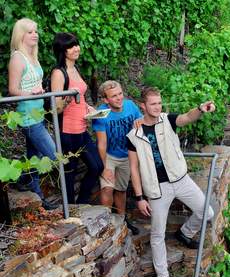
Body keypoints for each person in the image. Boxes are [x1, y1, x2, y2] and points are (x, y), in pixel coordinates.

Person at [127, 87, 215, 277]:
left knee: (207, 212)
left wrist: (200, 109)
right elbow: (134, 168)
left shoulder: (167, 120)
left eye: (159, 103)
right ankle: (162, 275)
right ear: (143, 106)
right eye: (153, 104)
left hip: (181, 180)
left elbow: (186, 118)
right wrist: (140, 197)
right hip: (157, 189)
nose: (157, 107)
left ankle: (185, 233)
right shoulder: (133, 135)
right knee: (157, 234)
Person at [8, 18, 57, 210]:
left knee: (33, 157)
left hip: (38, 113)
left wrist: (40, 92)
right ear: (20, 35)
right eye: (29, 32)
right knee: (53, 155)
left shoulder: (32, 57)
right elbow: (12, 90)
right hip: (27, 117)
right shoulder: (17, 58)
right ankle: (20, 178)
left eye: (36, 31)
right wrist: (32, 93)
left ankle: (38, 196)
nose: (35, 34)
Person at [51, 32, 103, 204]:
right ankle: (70, 210)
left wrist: (87, 108)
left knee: (97, 166)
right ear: (62, 50)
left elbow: (79, 96)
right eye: (71, 46)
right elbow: (56, 107)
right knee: (69, 172)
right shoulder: (59, 73)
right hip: (67, 130)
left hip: (81, 127)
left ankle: (82, 203)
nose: (76, 48)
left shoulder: (75, 68)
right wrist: (66, 100)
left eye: (77, 44)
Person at [92, 81, 142, 235]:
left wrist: (139, 123)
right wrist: (104, 167)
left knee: (121, 190)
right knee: (107, 188)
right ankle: (106, 222)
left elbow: (141, 123)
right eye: (114, 96)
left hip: (127, 155)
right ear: (106, 100)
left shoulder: (131, 106)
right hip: (109, 155)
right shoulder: (101, 114)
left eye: (120, 94)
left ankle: (122, 220)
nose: (119, 98)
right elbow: (101, 143)